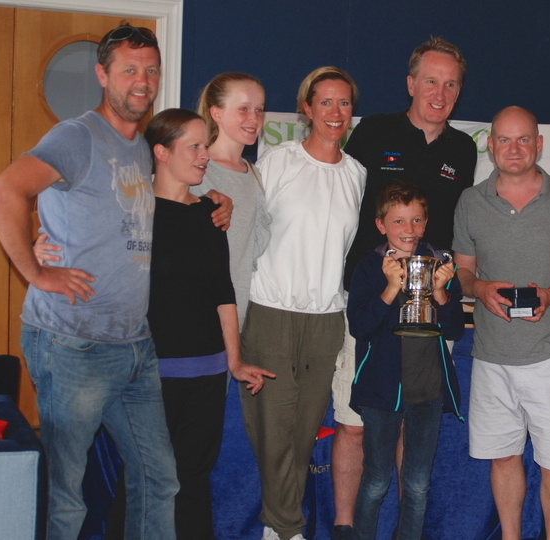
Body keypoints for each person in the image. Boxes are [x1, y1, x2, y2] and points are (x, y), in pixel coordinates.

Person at [0, 24, 226, 539]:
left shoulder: (140, 147)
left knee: (159, 479)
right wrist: (36, 269)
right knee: (68, 495)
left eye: (151, 71)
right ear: (102, 75)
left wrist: (214, 199)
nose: (142, 81)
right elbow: (3, 194)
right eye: (129, 70)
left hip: (134, 344)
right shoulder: (76, 136)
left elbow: (160, 196)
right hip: (73, 343)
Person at [332, 37, 477, 539]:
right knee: (354, 424)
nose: (440, 93)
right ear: (411, 83)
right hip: (374, 301)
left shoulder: (462, 149)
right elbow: (337, 197)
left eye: (451, 84)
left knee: (413, 430)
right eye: (431, 81)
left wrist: (447, 288)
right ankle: (347, 528)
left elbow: (462, 228)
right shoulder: (375, 131)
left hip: (429, 309)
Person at [452, 106, 550, 540]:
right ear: (490, 145)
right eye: (504, 139)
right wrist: (480, 289)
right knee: (503, 457)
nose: (513, 149)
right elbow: (463, 271)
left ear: (539, 144)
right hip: (491, 355)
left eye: (523, 140)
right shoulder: (470, 201)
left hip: (549, 354)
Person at [240, 66, 366, 540]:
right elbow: (246, 231)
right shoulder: (276, 161)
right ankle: (288, 527)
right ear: (306, 109)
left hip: (327, 319)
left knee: (303, 431)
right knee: (272, 430)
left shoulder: (356, 175)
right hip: (271, 312)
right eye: (325, 102)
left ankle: (277, 527)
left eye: (344, 103)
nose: (335, 112)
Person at [144, 108, 274, 539]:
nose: (205, 155)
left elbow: (223, 292)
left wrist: (234, 361)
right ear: (162, 152)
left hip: (207, 373)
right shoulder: (134, 211)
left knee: (193, 479)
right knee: (148, 480)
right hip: (149, 374)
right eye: (195, 146)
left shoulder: (211, 213)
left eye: (206, 145)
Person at [347, 181, 464, 540]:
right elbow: (360, 327)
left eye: (416, 220)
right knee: (376, 480)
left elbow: (454, 329)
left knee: (416, 485)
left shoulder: (441, 264)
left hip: (427, 392)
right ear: (381, 225)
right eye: (398, 221)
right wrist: (390, 287)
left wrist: (441, 290)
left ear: (426, 223)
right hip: (381, 392)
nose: (408, 229)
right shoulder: (369, 267)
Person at [193, 72, 271, 329]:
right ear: (216, 113)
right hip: (193, 311)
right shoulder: (194, 168)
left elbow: (253, 247)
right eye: (243, 109)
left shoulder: (254, 174)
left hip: (236, 314)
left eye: (259, 109)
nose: (254, 118)